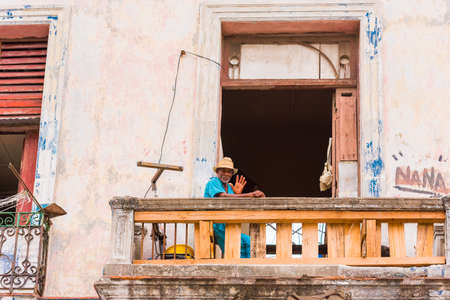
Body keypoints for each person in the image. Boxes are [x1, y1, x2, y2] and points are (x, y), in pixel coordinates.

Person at [204, 157, 265, 258]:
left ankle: (247, 269)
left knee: (248, 241)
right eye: (223, 171)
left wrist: (238, 194)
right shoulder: (213, 182)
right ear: (217, 172)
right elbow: (223, 197)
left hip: (227, 225)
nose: (226, 174)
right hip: (215, 226)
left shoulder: (229, 187)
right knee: (234, 248)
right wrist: (250, 194)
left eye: (229, 172)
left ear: (232, 174)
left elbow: (233, 199)